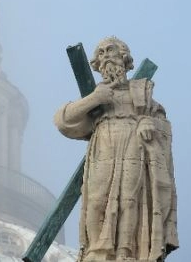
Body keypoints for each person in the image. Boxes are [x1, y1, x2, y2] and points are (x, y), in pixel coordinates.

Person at [54, 37, 178, 261]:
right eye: (100, 53)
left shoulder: (141, 91)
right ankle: (96, 251)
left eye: (110, 50)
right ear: (97, 64)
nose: (105, 56)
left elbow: (160, 120)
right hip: (104, 145)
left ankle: (125, 250)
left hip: (134, 145)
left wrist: (148, 122)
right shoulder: (97, 96)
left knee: (130, 198)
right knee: (96, 198)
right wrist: (95, 98)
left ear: (124, 58)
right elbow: (63, 120)